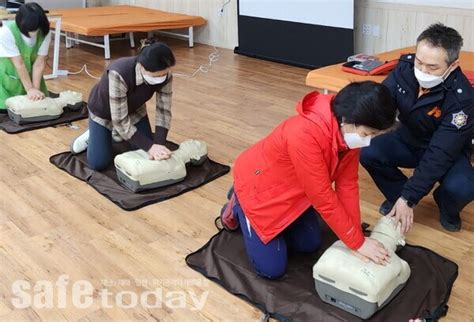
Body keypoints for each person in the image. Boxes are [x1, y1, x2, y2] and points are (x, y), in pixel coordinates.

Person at [219, 81, 397, 279]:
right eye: (367, 134)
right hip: (258, 190)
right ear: (349, 120)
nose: (367, 141)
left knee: (309, 244)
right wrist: (358, 243)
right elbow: (322, 196)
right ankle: (238, 203)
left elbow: (347, 186)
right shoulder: (304, 133)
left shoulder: (347, 134)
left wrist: (356, 237)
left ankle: (266, 217)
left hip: (296, 191)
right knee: (272, 269)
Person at [360, 23, 474, 233]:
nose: (422, 71)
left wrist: (410, 197)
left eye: (432, 67)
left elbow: (440, 153)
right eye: (420, 62)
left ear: (453, 65)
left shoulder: (462, 99)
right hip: (408, 138)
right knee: (368, 151)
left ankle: (445, 205)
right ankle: (396, 197)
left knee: (463, 186)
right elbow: (381, 103)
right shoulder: (404, 68)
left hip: (447, 151)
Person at [70, 40, 176, 170]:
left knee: (144, 153)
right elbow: (119, 121)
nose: (161, 77)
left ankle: (118, 134)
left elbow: (163, 111)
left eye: (164, 74)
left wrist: (158, 146)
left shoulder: (165, 75)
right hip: (103, 113)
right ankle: (92, 134)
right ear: (142, 67)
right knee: (99, 163)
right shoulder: (119, 73)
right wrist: (150, 147)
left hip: (134, 111)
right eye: (157, 75)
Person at [0, 2, 51, 111]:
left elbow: (39, 63)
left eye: (36, 30)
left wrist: (34, 91)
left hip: (32, 74)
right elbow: (19, 63)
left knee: (38, 106)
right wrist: (30, 89)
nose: (34, 34)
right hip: (9, 75)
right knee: (7, 109)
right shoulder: (6, 32)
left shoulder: (45, 31)